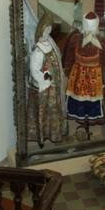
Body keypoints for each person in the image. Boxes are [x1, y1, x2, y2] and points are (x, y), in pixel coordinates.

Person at [27, 12, 67, 146]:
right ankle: (42, 137)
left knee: (54, 113)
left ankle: (55, 135)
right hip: (45, 88)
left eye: (49, 29)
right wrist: (44, 80)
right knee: (44, 113)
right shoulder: (38, 50)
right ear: (41, 29)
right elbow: (34, 69)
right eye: (45, 29)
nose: (47, 32)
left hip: (54, 87)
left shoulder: (51, 44)